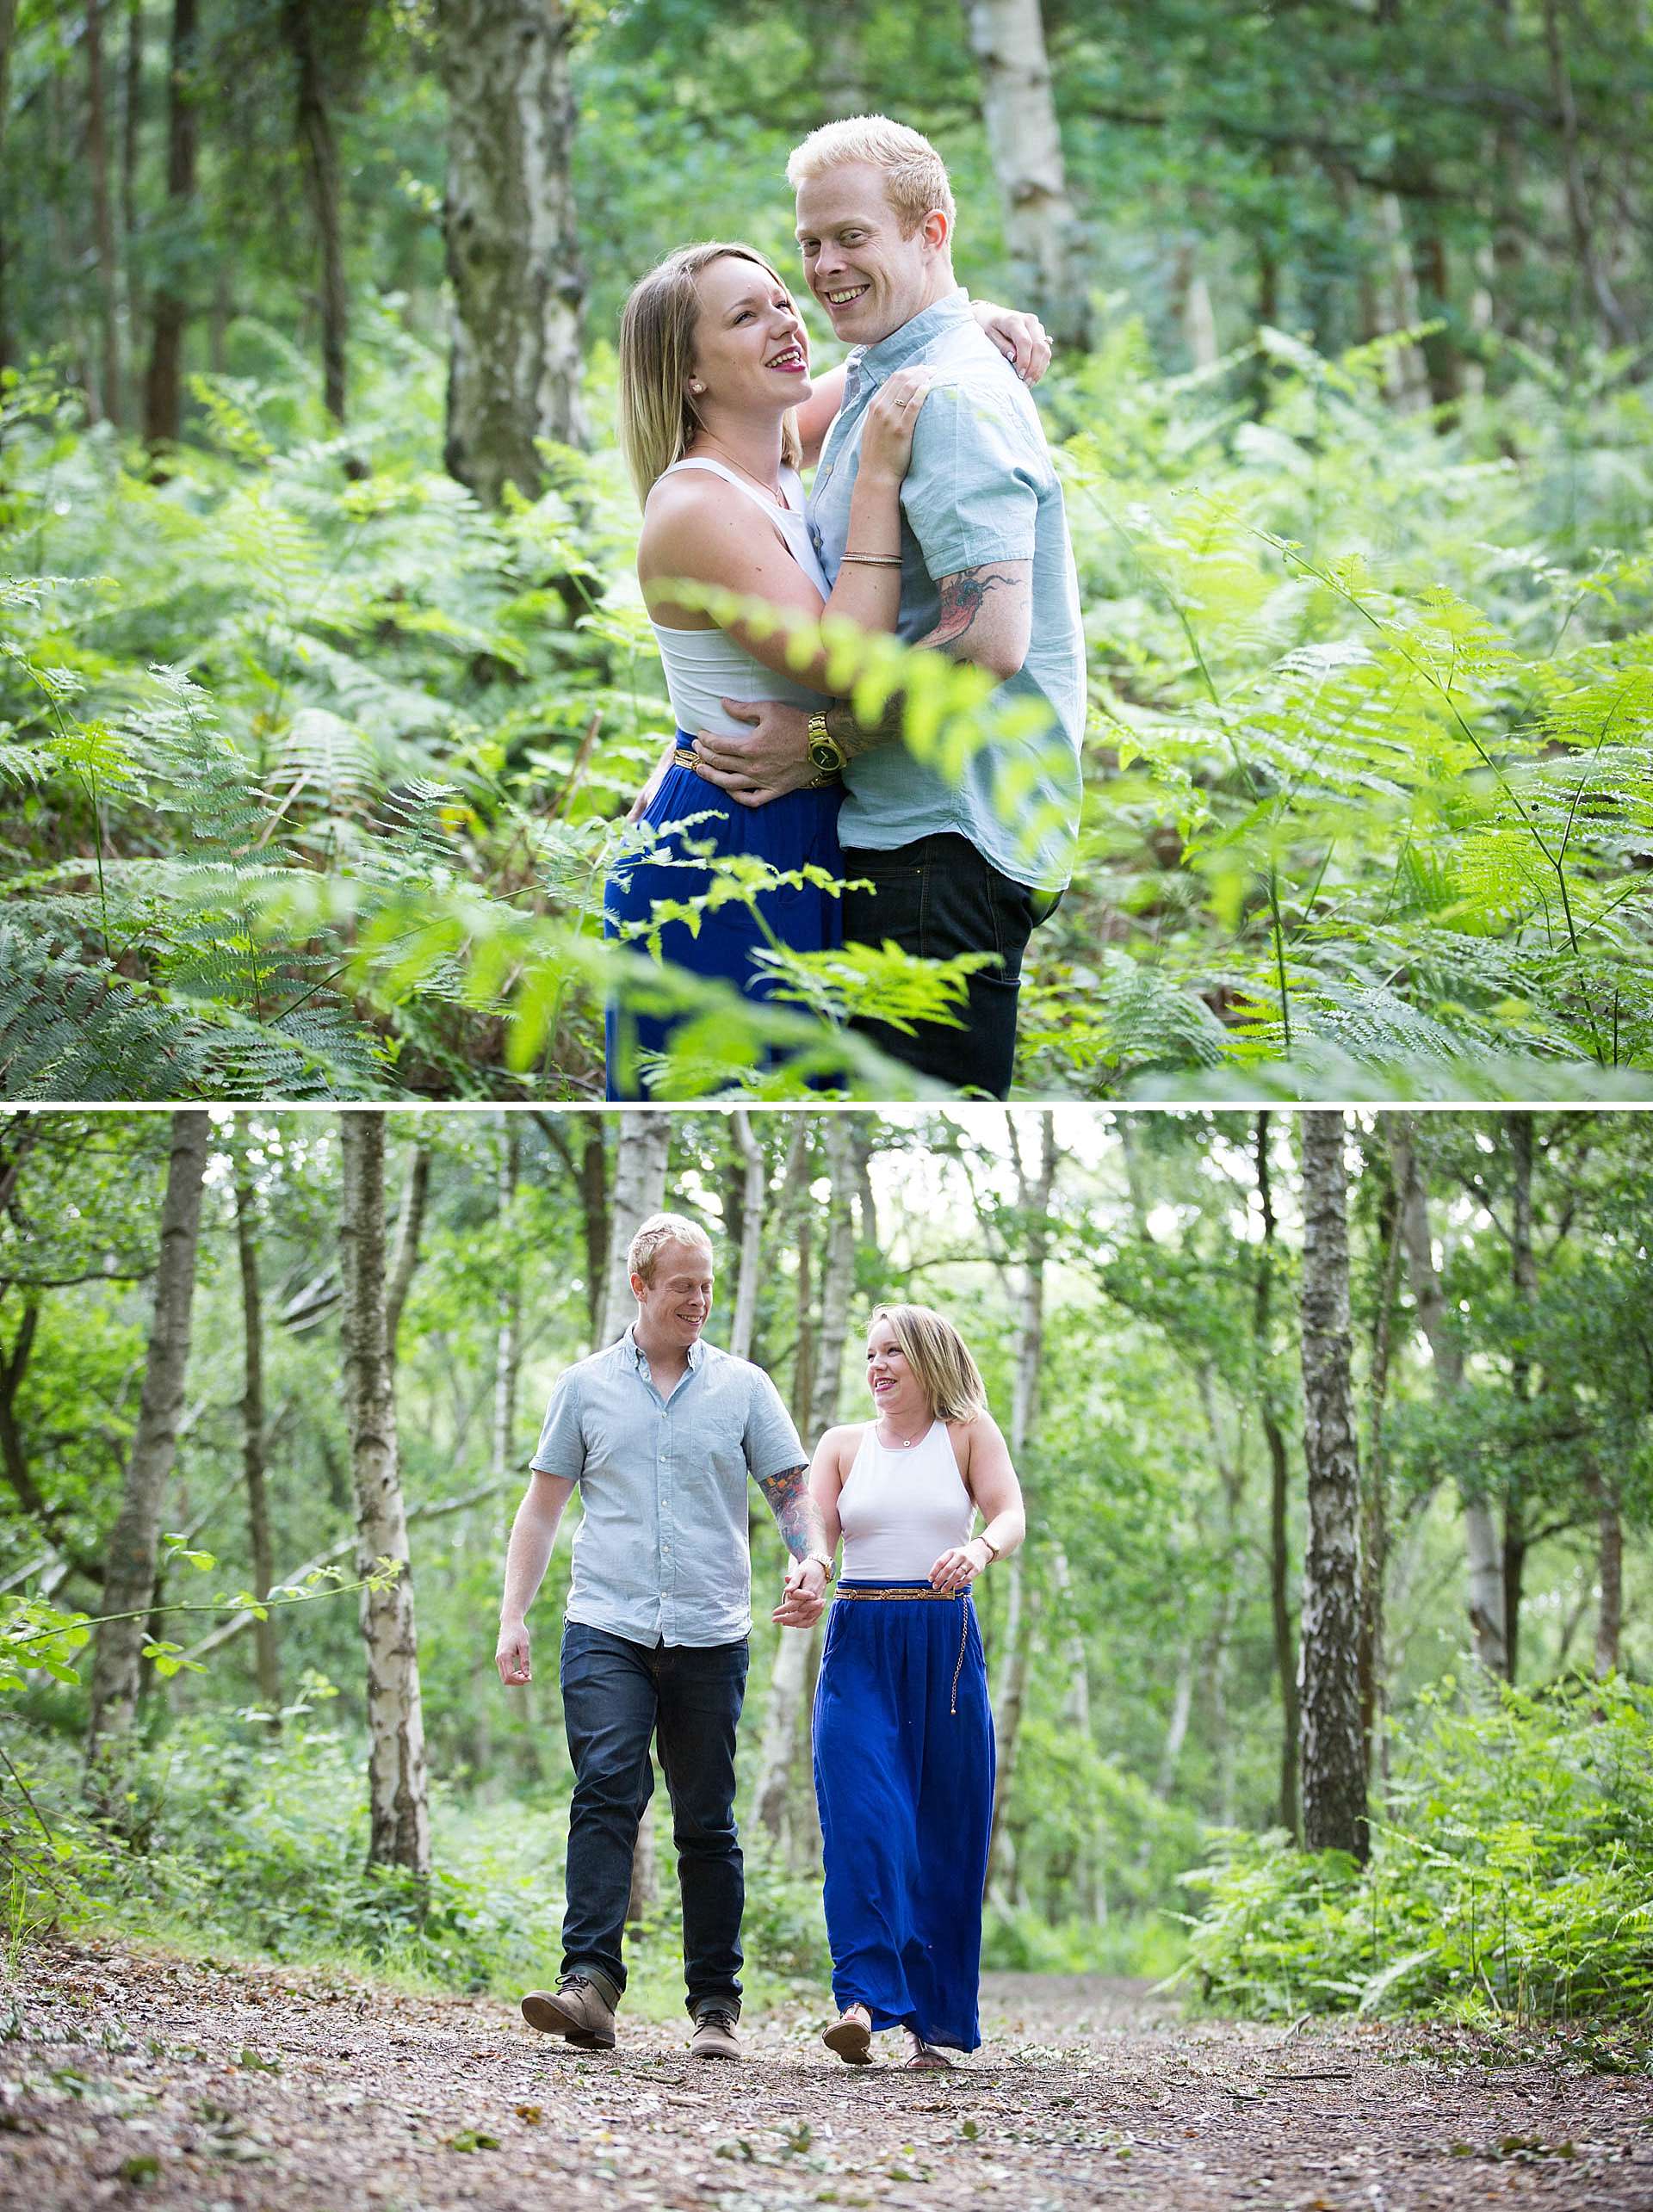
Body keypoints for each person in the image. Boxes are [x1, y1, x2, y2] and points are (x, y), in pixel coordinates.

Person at [693, 117, 1087, 1101]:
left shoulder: (946, 393)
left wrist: (818, 742)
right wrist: (964, 310)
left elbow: (988, 643)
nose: (823, 268)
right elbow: (752, 416)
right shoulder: (890, 369)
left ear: (931, 231)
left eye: (852, 237)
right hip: (900, 828)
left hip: (941, 844)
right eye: (811, 244)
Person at [605, 240, 1049, 1099]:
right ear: (690, 374)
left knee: (793, 1085)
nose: (786, 320)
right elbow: (848, 670)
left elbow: (902, 362)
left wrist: (978, 320)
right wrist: (878, 479)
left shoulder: (772, 438)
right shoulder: (697, 503)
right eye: (746, 315)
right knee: (727, 1091)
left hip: (798, 817)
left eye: (781, 298)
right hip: (728, 839)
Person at [495, 1211, 833, 2060]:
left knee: (706, 1820)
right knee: (607, 1787)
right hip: (604, 1622)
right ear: (641, 1286)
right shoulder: (583, 1387)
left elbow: (792, 1489)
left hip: (711, 1632)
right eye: (684, 1284)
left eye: (708, 1283)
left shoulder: (745, 1387)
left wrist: (813, 1558)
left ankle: (715, 2005)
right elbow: (541, 1508)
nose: (701, 1299)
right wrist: (513, 1614)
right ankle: (590, 1985)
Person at [806, 1303, 1026, 2067]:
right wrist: (807, 1574)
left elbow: (1010, 1512)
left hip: (946, 1646)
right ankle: (862, 2003)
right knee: (865, 1818)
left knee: (942, 1829)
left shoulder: (968, 1433)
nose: (878, 1366)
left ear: (929, 1358)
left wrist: (980, 1550)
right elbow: (816, 1537)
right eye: (870, 1354)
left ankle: (933, 2026)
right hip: (860, 1642)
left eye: (893, 1351)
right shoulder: (840, 1446)